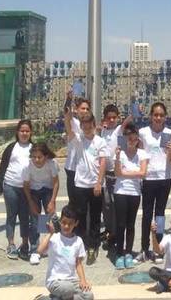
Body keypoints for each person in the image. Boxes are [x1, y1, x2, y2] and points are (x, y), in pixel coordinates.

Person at [64, 108, 109, 265]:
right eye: (84, 126)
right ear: (81, 126)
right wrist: (68, 113)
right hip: (80, 184)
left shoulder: (100, 141)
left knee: (95, 217)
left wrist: (99, 183)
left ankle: (93, 246)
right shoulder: (78, 139)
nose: (87, 129)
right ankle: (81, 244)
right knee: (81, 217)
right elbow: (68, 127)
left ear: (94, 125)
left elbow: (103, 163)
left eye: (89, 126)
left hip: (95, 185)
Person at [136, 102, 171, 263]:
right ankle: (144, 248)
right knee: (147, 214)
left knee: (159, 214)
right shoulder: (143, 133)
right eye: (155, 115)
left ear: (165, 117)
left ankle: (158, 247)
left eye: (161, 115)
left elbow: (170, 159)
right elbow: (140, 154)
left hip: (164, 177)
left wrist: (170, 151)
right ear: (151, 116)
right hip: (149, 177)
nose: (158, 118)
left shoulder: (170, 134)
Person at [37, 204, 93, 300]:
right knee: (68, 290)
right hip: (55, 281)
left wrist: (83, 280)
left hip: (72, 281)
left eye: (70, 223)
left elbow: (78, 264)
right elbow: (40, 250)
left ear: (76, 223)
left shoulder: (78, 241)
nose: (66, 226)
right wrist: (50, 233)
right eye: (64, 222)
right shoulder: (54, 238)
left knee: (88, 296)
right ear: (60, 221)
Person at [0, 118, 33, 259]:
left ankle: (25, 244)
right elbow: (3, 166)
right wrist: (0, 185)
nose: (24, 133)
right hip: (10, 186)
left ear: (31, 132)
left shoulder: (34, 148)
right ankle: (11, 244)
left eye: (27, 131)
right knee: (11, 216)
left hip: (27, 189)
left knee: (25, 217)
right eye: (22, 131)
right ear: (17, 132)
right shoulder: (11, 147)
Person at [113, 123, 149, 269]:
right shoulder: (119, 153)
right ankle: (119, 253)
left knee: (130, 224)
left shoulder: (142, 153)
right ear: (125, 139)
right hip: (120, 191)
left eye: (135, 139)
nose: (132, 141)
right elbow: (117, 173)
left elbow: (143, 173)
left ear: (138, 139)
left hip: (135, 192)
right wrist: (117, 158)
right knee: (120, 224)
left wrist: (125, 173)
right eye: (129, 139)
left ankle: (128, 252)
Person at [22, 142, 60, 265]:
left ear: (46, 156)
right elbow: (26, 186)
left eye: (39, 157)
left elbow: (56, 182)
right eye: (34, 157)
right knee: (35, 220)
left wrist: (52, 201)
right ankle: (35, 250)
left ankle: (54, 245)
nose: (36, 160)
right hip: (33, 191)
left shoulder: (52, 163)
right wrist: (31, 202)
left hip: (48, 190)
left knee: (50, 216)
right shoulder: (27, 166)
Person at [99, 103, 128, 252]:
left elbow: (127, 122)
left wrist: (134, 109)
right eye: (108, 118)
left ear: (118, 118)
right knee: (106, 205)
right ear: (104, 118)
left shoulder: (119, 130)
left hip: (117, 174)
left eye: (114, 117)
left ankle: (116, 234)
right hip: (105, 174)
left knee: (116, 204)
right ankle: (109, 230)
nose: (111, 120)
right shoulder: (102, 131)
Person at [64, 97, 92, 206]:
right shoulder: (73, 122)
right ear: (76, 109)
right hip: (73, 168)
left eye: (87, 109)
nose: (85, 111)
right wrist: (68, 99)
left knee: (85, 203)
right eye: (83, 108)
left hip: (86, 168)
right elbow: (67, 114)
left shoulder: (91, 125)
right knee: (74, 203)